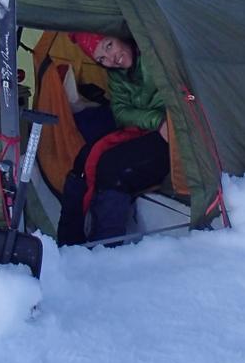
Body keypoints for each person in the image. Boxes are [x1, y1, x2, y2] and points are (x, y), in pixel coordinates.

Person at [56, 32, 170, 246]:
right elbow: (120, 112)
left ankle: (106, 248)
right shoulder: (117, 74)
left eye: (109, 46)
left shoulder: (156, 55)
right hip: (152, 128)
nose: (112, 59)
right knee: (84, 158)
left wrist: (166, 122)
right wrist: (156, 120)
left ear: (120, 36)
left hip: (177, 135)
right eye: (102, 59)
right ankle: (68, 244)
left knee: (111, 168)